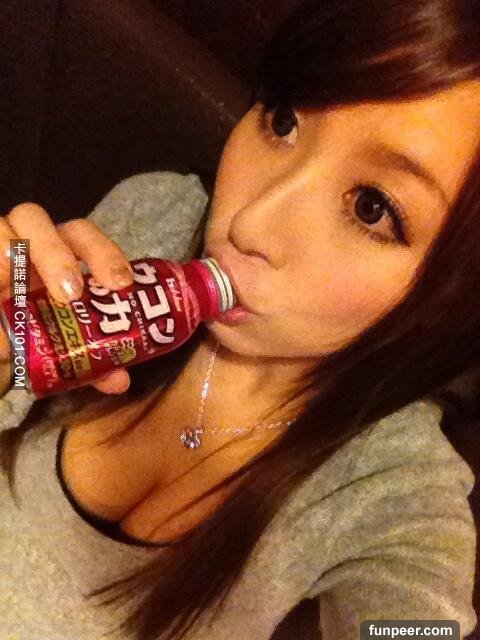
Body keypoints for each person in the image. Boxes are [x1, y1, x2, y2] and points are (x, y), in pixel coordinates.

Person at [0, 0, 479, 638]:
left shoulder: (392, 493)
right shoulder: (153, 219)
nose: (249, 225)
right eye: (283, 121)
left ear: (451, 298)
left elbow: (422, 625)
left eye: (372, 208)